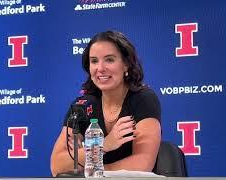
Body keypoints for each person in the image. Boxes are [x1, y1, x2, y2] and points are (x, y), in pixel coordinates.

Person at [50, 30, 161, 177]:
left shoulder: (143, 99)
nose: (100, 68)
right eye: (94, 61)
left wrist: (93, 169)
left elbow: (142, 164)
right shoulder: (82, 106)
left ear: (126, 64)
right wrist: (103, 145)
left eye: (109, 60)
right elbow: (57, 165)